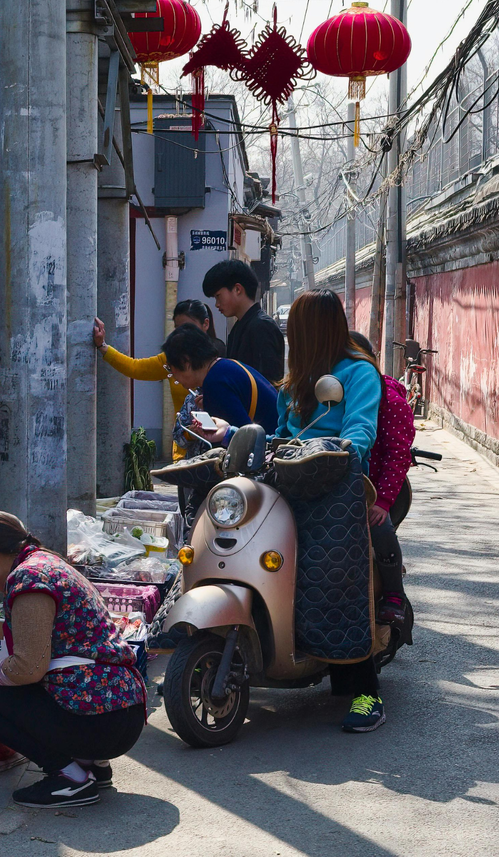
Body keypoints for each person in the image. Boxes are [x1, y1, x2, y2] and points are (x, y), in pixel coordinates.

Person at [200, 289, 383, 732]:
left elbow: (360, 430)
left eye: (296, 329)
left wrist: (329, 450)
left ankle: (364, 692)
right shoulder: (293, 383)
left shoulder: (358, 374)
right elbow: (281, 432)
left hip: (337, 486)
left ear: (312, 331)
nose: (290, 338)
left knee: (331, 575)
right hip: (291, 486)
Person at [0, 512, 146, 808]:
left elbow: (28, 667)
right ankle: (92, 764)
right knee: (9, 686)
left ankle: (72, 778)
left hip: (101, 719)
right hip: (119, 711)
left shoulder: (28, 579)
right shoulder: (49, 563)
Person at [92, 299, 224, 459]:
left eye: (189, 328)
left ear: (206, 324)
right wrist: (102, 346)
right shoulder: (171, 358)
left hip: (218, 453)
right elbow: (135, 368)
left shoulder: (221, 361)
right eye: (178, 329)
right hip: (186, 452)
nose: (183, 336)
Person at [350, 332, 416, 626]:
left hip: (380, 494)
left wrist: (383, 502)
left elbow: (397, 457)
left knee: (380, 529)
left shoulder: (391, 403)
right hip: (346, 487)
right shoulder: (338, 396)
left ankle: (394, 595)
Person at [162, 325, 279, 454]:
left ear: (186, 362)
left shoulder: (215, 383)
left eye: (170, 368)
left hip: (269, 453)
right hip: (276, 442)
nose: (173, 376)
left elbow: (241, 443)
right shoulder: (225, 367)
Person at [202, 259, 284, 383]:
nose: (217, 304)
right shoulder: (241, 326)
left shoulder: (261, 327)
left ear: (237, 289)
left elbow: (268, 384)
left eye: (218, 296)